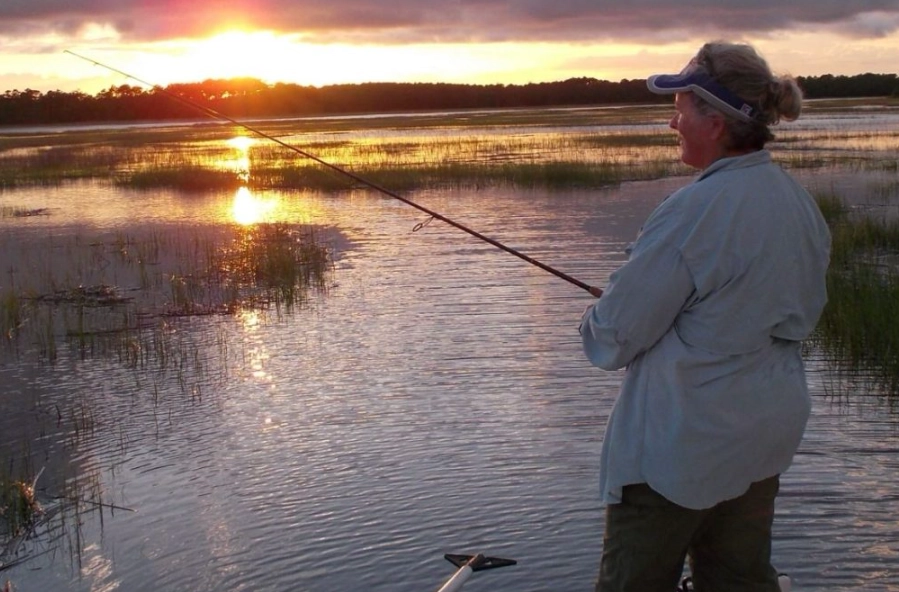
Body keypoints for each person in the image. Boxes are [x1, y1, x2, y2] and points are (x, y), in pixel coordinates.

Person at [579, 41, 831, 592]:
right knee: (739, 580)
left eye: (682, 109)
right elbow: (794, 316)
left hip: (678, 447)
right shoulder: (799, 204)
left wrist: (597, 315)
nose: (673, 122)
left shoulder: (692, 211)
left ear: (715, 122)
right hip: (762, 435)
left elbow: (611, 341)